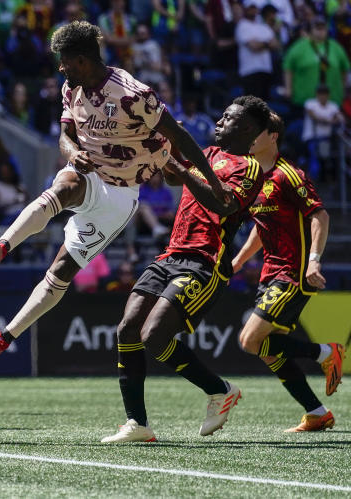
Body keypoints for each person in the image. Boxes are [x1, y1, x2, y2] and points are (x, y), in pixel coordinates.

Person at [0, 21, 230, 364]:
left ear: (83, 60)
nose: (60, 68)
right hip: (89, 171)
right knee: (65, 184)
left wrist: (212, 179)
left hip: (120, 196)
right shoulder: (70, 87)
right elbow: (64, 136)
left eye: (64, 61)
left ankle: (5, 337)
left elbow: (181, 138)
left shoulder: (133, 95)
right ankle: (2, 247)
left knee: (61, 270)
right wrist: (72, 152)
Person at [102, 96, 270, 444]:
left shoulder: (251, 169)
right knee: (128, 329)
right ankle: (137, 424)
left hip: (205, 262)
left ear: (248, 129)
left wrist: (178, 167)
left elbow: (222, 204)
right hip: (170, 255)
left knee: (154, 336)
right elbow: (170, 178)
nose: (219, 122)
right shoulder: (207, 154)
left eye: (228, 117)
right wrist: (166, 144)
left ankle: (219, 390)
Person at [231, 111, 344, 433]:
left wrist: (314, 260)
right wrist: (239, 262)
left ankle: (325, 352)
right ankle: (317, 412)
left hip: (294, 273)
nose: (248, 137)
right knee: (270, 351)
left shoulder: (288, 175)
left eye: (254, 131)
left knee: (250, 340)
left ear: (273, 136)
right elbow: (261, 227)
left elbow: (320, 216)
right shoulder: (253, 178)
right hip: (270, 272)